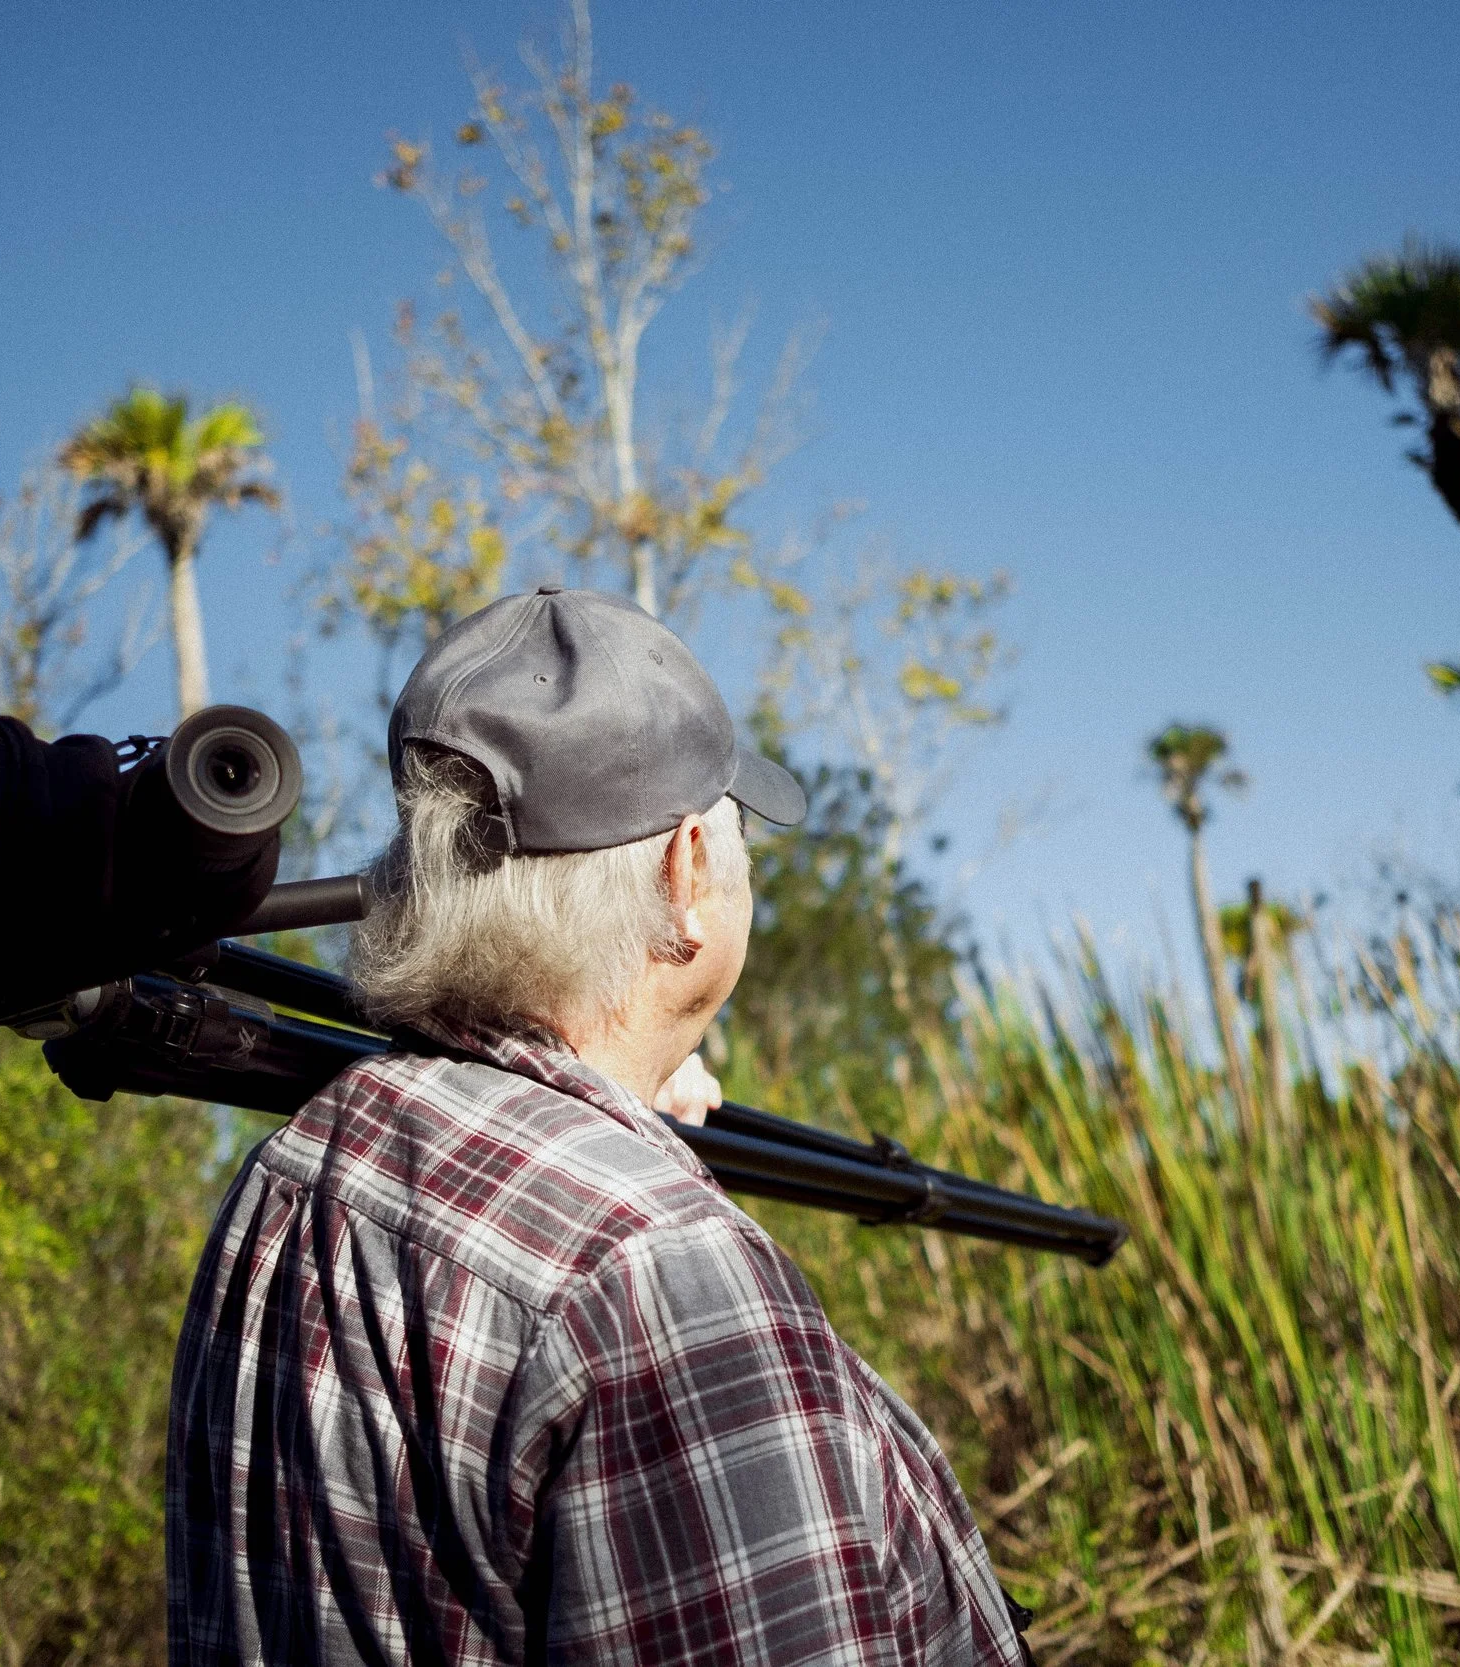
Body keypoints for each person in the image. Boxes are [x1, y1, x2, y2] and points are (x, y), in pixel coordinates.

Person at [167, 586, 1029, 1666]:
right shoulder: (656, 1270)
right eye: (735, 834)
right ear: (684, 875)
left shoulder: (290, 1175)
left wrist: (626, 1107)